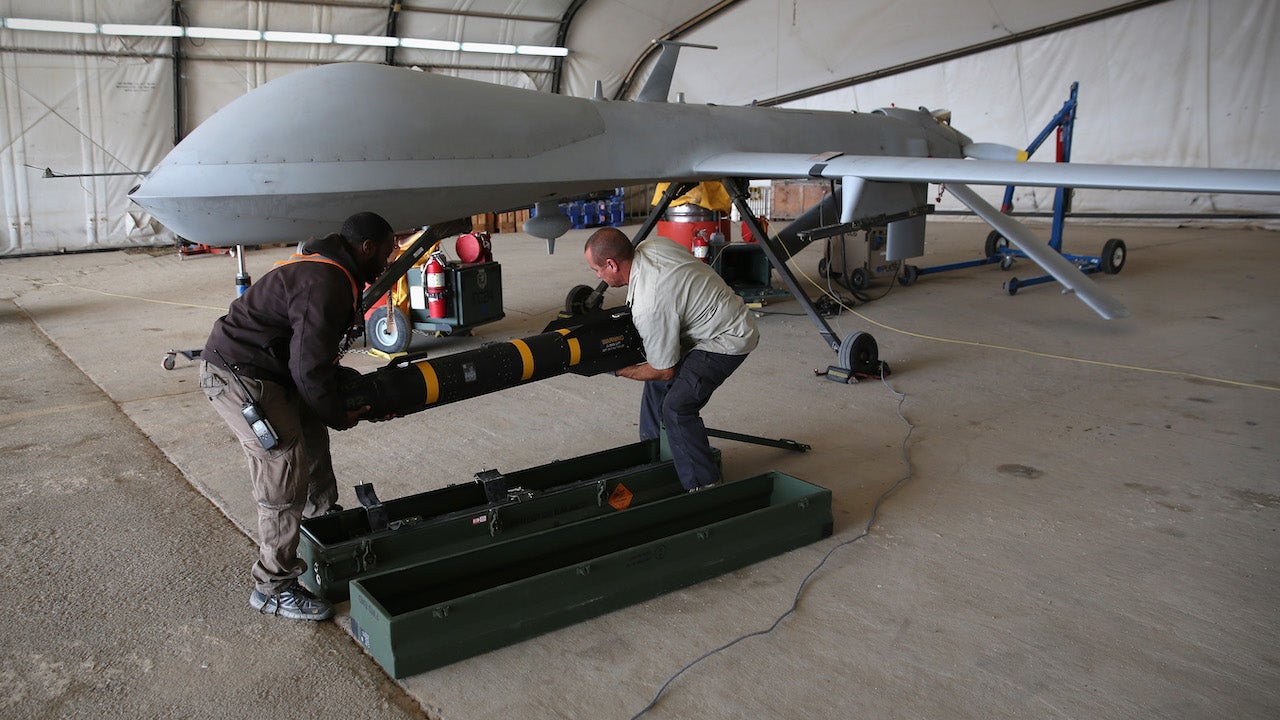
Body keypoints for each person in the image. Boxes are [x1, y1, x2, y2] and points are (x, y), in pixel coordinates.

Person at [198, 212, 396, 621]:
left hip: (273, 370)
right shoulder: (325, 281)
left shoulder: (330, 268)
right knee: (282, 469)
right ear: (367, 247)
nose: (389, 260)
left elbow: (312, 358)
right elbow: (308, 369)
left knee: (312, 438)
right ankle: (273, 587)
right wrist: (341, 414)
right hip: (241, 377)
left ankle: (320, 525)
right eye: (388, 251)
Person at [584, 227, 759, 491]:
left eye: (597, 269)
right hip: (710, 317)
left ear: (612, 264)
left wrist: (616, 370)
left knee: (677, 408)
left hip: (726, 339)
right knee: (655, 383)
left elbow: (664, 370)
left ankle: (704, 486)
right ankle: (655, 452)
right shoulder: (652, 245)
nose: (597, 276)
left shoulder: (650, 303)